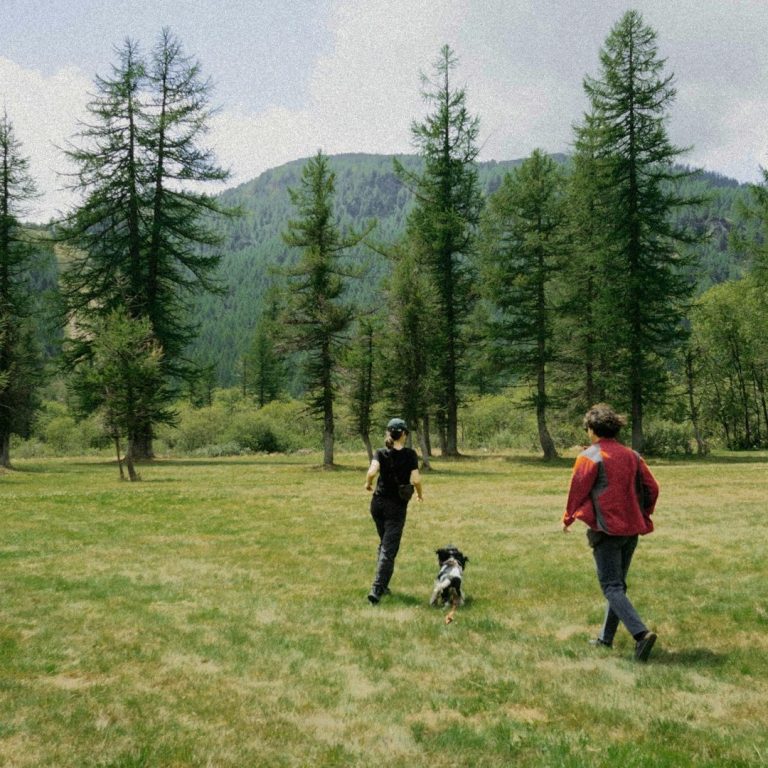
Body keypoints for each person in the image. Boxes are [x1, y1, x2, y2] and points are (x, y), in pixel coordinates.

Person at [562, 403, 660, 661]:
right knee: (618, 586)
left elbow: (577, 490)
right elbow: (652, 488)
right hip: (631, 530)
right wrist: (643, 512)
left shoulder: (590, 456)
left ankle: (641, 634)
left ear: (592, 429)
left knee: (612, 587)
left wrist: (568, 517)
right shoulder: (633, 456)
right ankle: (605, 639)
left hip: (605, 530)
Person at [364, 417, 423, 604]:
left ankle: (383, 584)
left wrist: (368, 484)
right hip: (396, 507)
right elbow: (416, 479)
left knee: (384, 544)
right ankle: (377, 589)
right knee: (389, 549)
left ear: (388, 433)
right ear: (404, 434)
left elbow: (372, 472)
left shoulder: (380, 452)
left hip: (377, 504)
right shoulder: (410, 454)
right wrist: (419, 494)